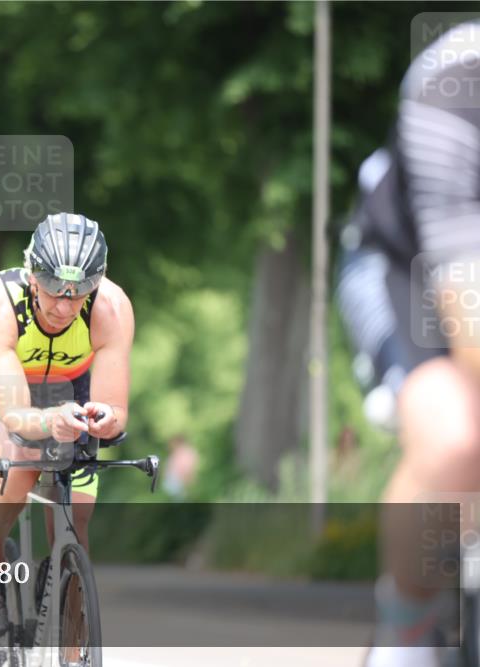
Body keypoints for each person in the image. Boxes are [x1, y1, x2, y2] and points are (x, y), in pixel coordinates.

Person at [336, 21, 480, 667]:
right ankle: (406, 628)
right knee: (456, 436)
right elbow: (465, 303)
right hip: (409, 271)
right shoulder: (454, 81)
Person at [0, 213, 134, 636]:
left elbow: (116, 411)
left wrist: (105, 420)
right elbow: (17, 416)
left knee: (76, 516)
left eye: (79, 294)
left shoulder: (111, 308)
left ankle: (70, 621)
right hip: (0, 384)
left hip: (71, 384)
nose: (63, 306)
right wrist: (49, 421)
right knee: (18, 456)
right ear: (32, 272)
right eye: (54, 288)